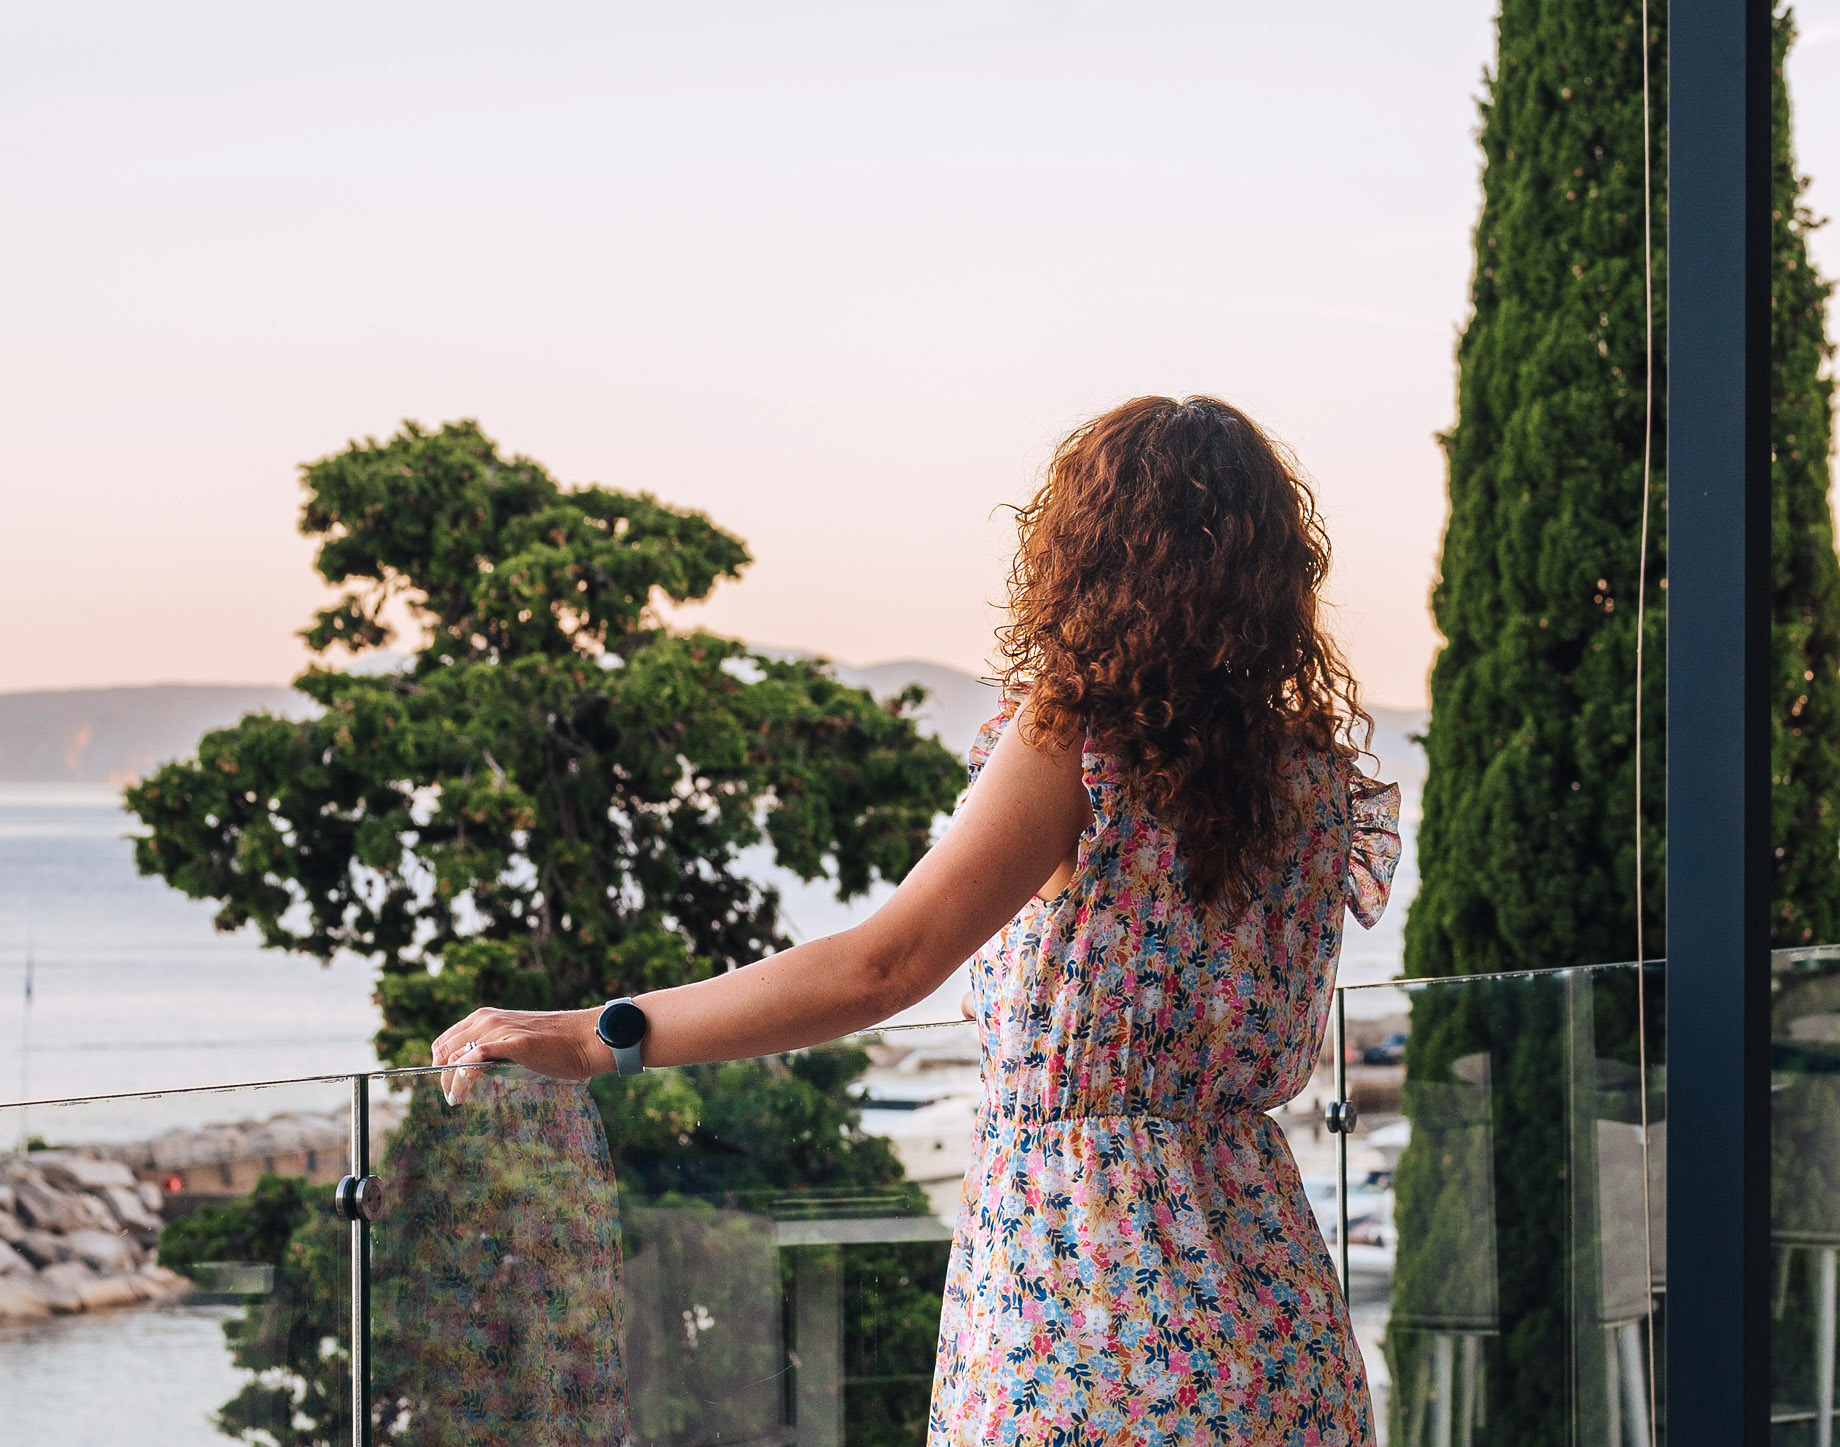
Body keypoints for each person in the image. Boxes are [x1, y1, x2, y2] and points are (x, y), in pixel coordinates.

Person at [432, 393, 1401, 1445]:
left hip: (1088, 1319)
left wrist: (596, 1035)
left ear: (1086, 553)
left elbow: (885, 967)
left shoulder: (1079, 741)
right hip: (1277, 1320)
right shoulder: (1309, 778)